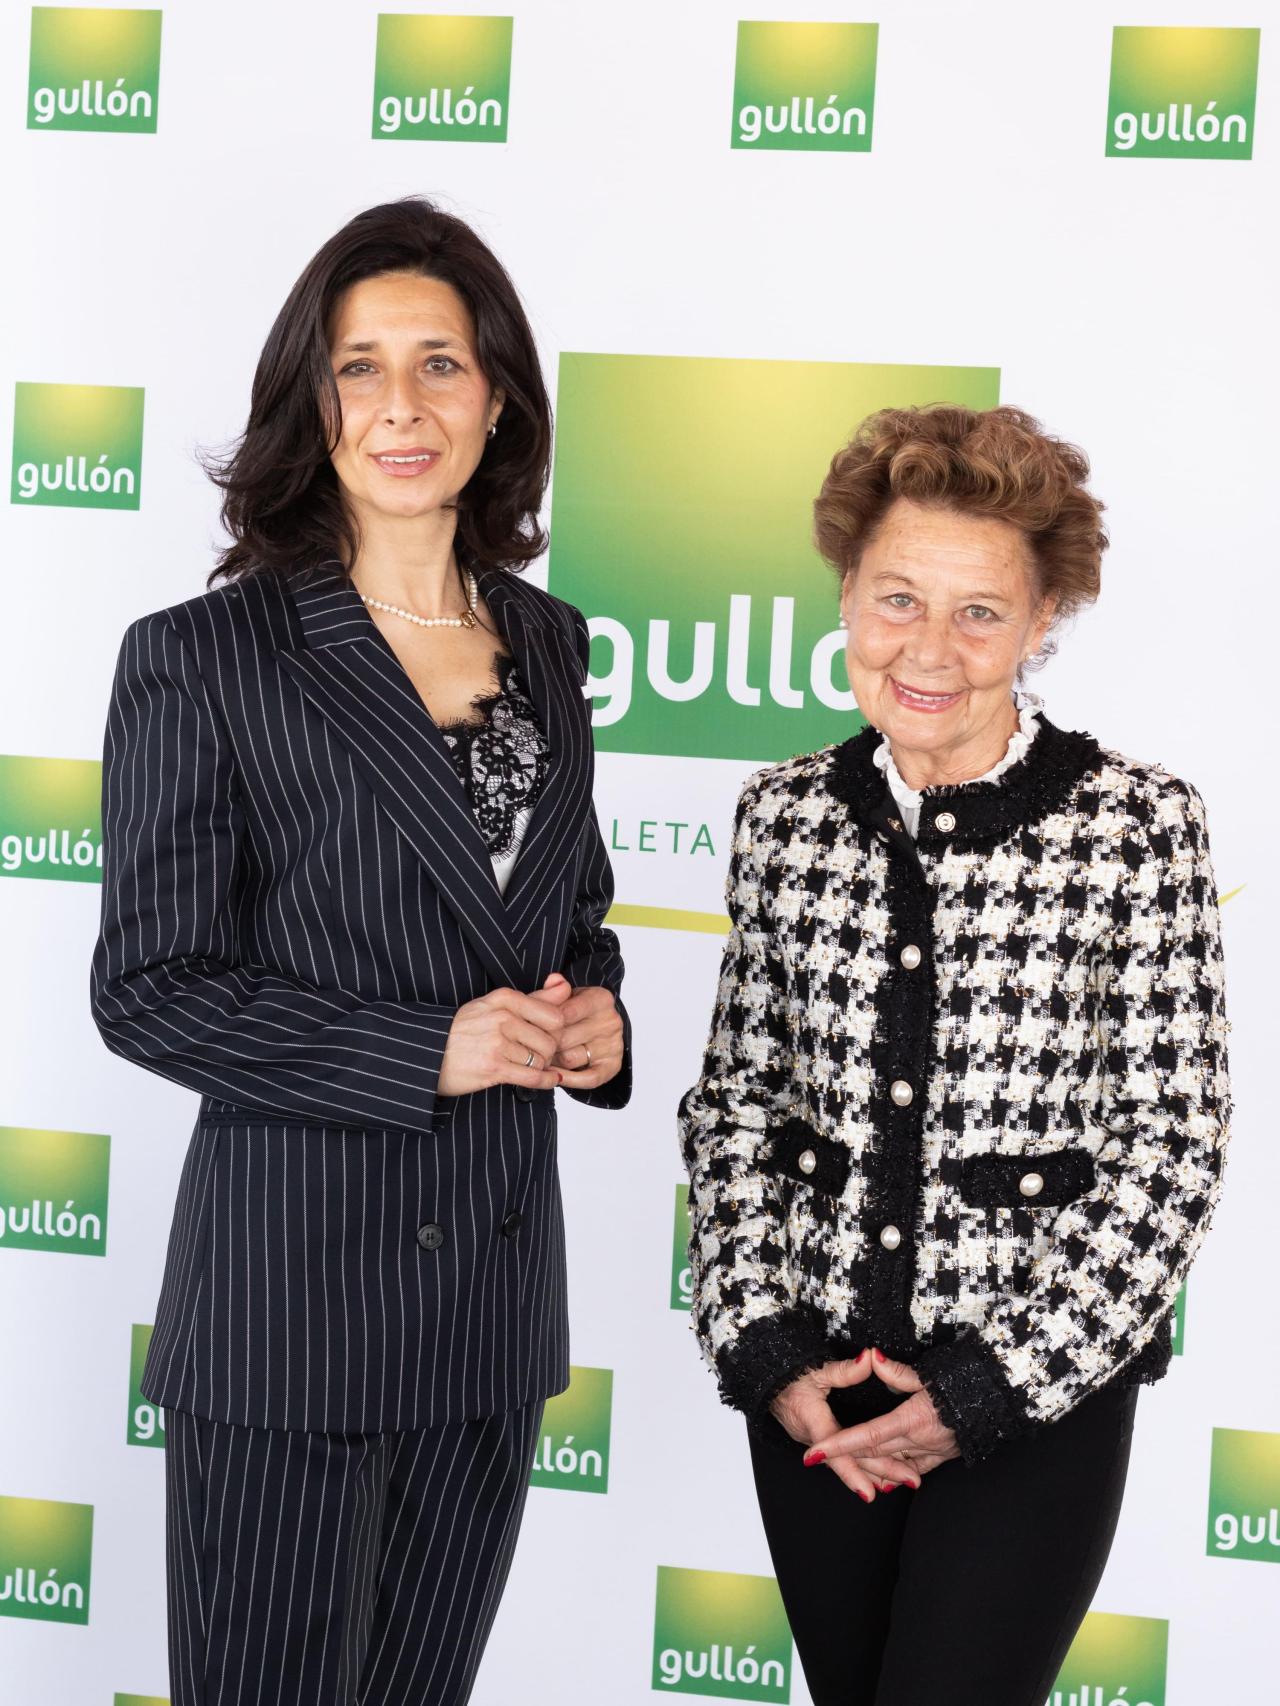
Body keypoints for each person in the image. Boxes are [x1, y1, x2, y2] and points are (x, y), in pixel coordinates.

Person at [90, 196, 630, 1706]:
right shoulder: (203, 656)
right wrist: (427, 1047)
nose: (403, 405)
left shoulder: (551, 646)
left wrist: (598, 1020)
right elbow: (149, 985)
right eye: (360, 366)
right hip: (292, 1322)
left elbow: (563, 906)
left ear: (499, 395)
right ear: (309, 403)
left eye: (441, 364)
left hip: (490, 1315)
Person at [677, 404, 1230, 1706]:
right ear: (850, 598)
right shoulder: (785, 817)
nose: (929, 648)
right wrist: (768, 1349)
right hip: (822, 1398)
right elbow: (740, 1107)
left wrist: (986, 1389)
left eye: (981, 611)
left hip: (1037, 1401)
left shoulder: (1138, 829)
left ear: (1043, 618)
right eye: (896, 599)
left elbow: (1173, 1152)